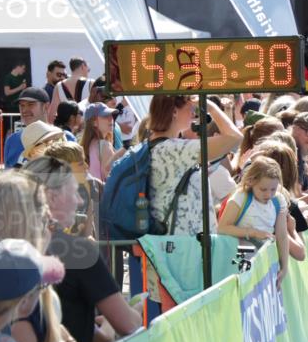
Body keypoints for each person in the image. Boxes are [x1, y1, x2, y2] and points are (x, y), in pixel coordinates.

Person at [21, 157, 143, 342]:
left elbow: (64, 326)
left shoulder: (4, 248)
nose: (79, 200)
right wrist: (137, 311)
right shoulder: (78, 252)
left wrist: (103, 329)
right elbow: (127, 324)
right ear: (52, 197)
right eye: (74, 192)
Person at [146, 95, 243, 236]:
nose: (194, 112)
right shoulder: (177, 150)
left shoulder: (152, 146)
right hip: (183, 247)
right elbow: (235, 137)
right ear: (174, 111)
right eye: (191, 107)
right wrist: (211, 107)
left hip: (170, 244)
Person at [217, 157, 291, 281]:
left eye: (273, 189)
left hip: (263, 260)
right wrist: (253, 233)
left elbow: (282, 235)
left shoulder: (278, 200)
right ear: (251, 181)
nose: (268, 194)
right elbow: (222, 228)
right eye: (263, 189)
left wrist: (284, 267)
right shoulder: (241, 197)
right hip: (238, 259)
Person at [4, 87, 75, 168]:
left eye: (31, 104)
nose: (24, 110)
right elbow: (8, 175)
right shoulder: (12, 140)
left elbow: (76, 173)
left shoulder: (65, 137)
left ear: (46, 107)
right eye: (22, 106)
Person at [80, 102, 123, 181]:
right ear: (94, 122)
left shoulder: (89, 144)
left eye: (111, 115)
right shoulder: (104, 145)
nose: (111, 119)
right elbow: (113, 180)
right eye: (105, 116)